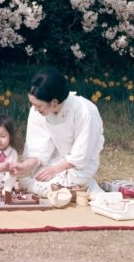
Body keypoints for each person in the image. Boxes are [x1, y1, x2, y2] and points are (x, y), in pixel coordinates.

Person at [11, 67, 105, 197]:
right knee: (37, 181)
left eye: (38, 105)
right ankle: (76, 189)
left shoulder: (85, 112)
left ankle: (87, 187)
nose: (35, 109)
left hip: (80, 165)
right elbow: (38, 149)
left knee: (53, 187)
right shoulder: (37, 111)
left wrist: (56, 170)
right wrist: (24, 166)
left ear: (54, 102)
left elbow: (82, 155)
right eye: (33, 104)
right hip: (54, 160)